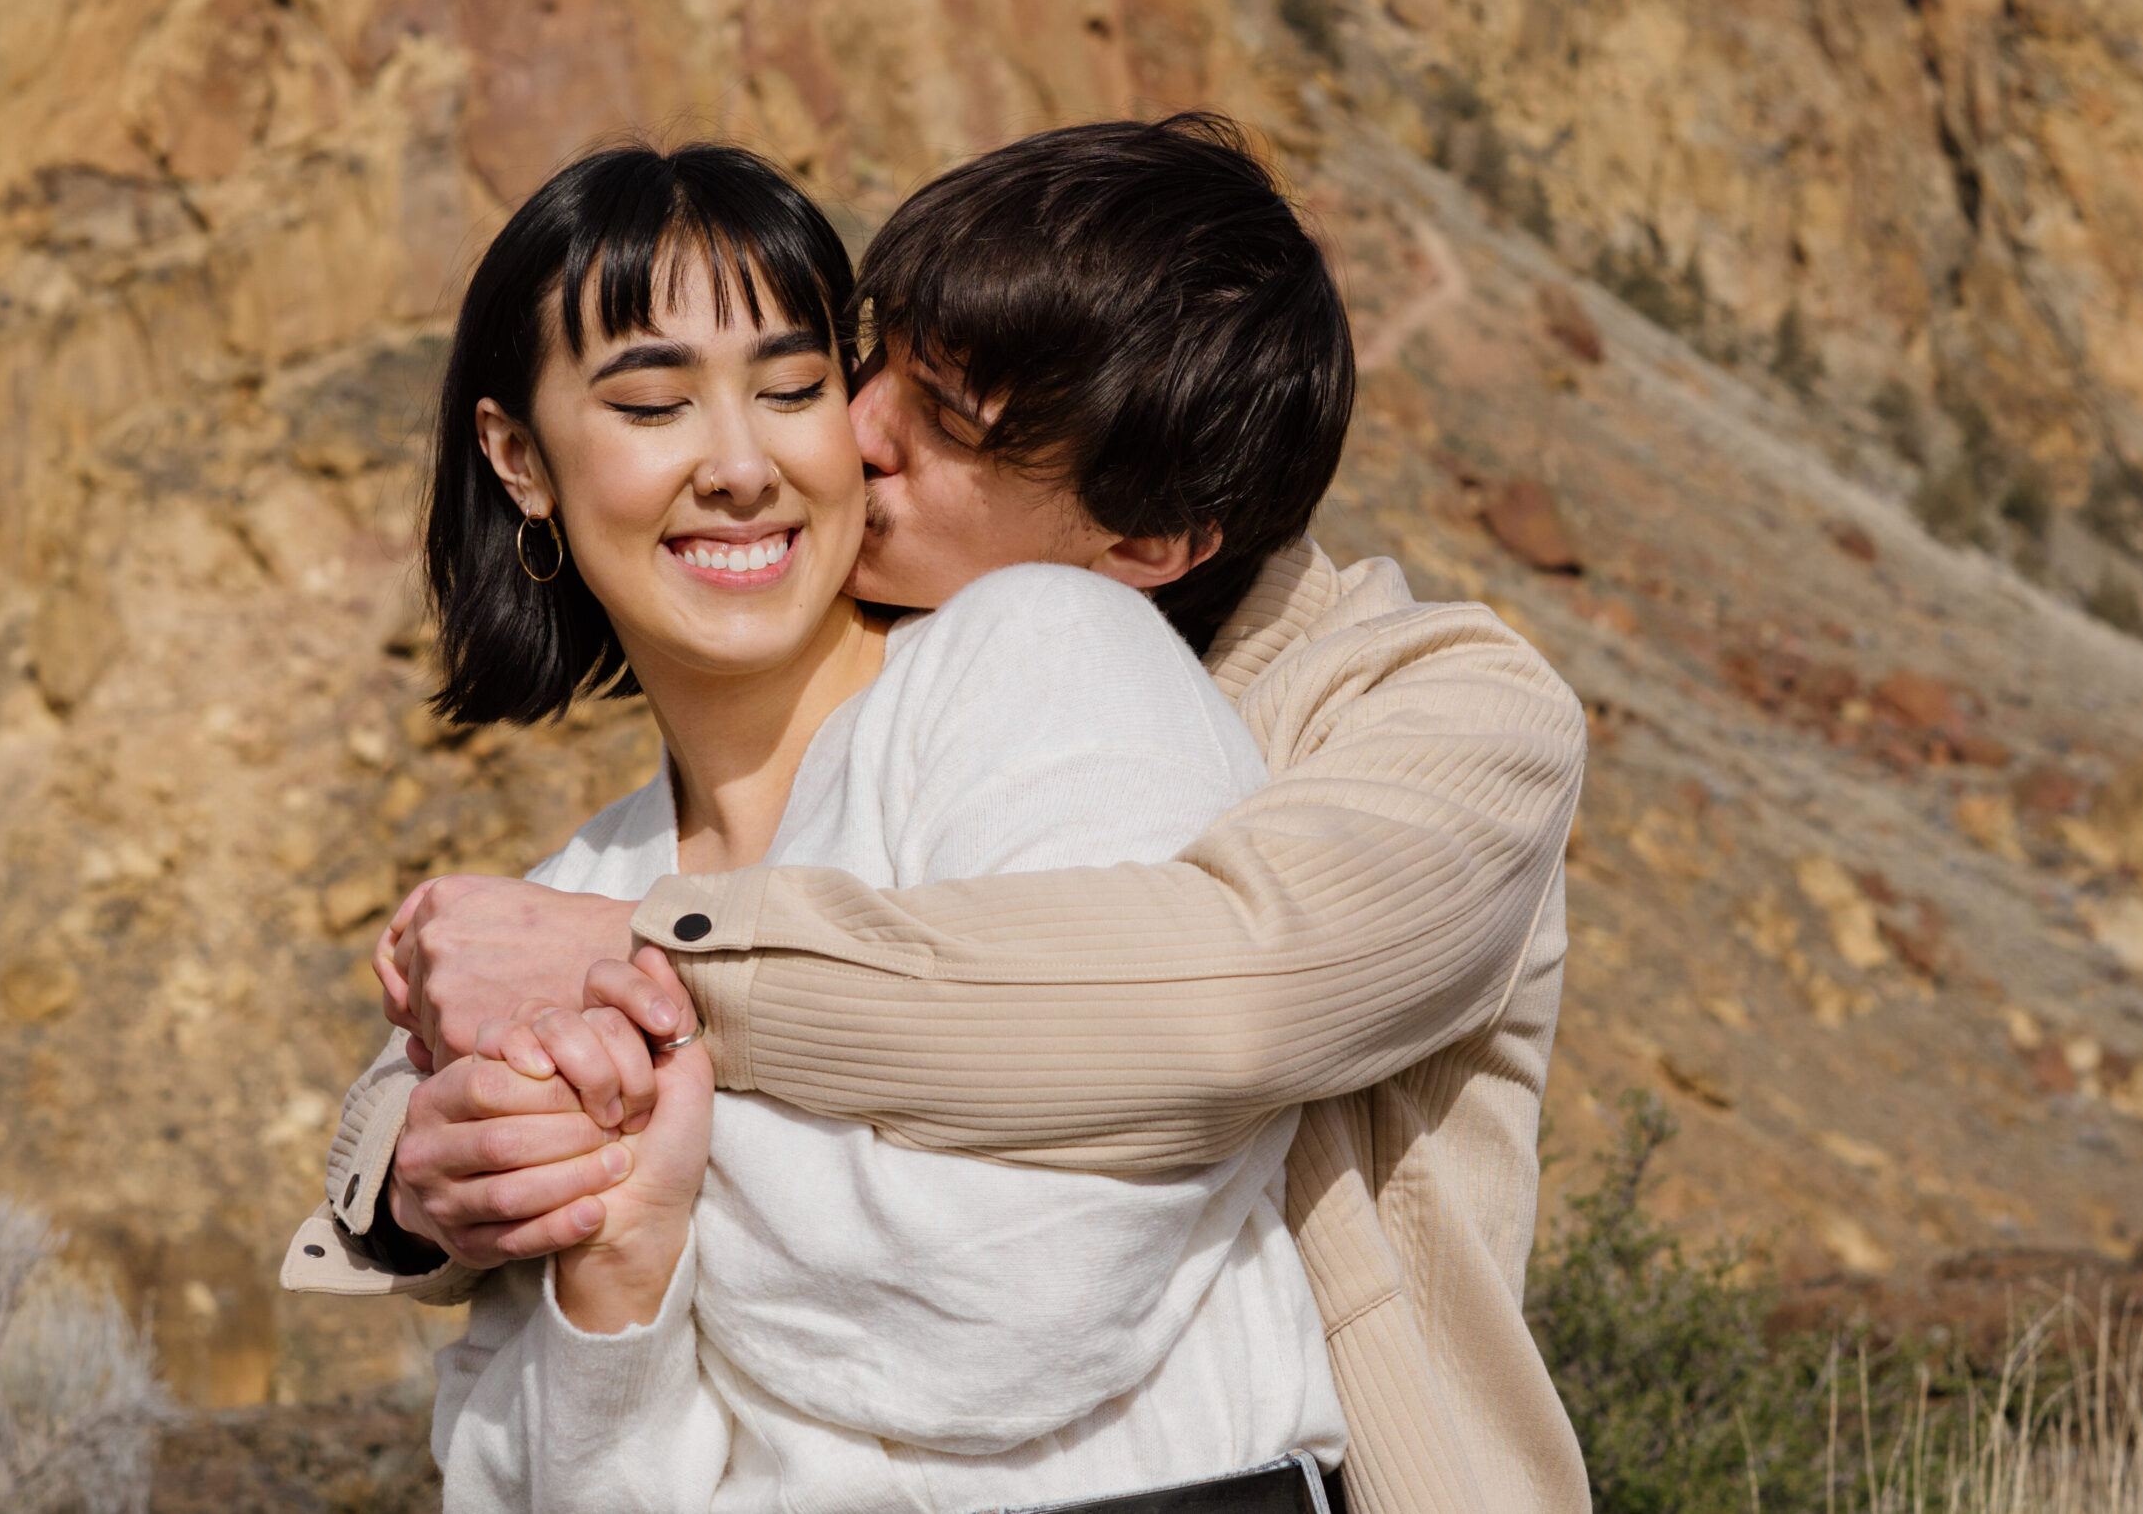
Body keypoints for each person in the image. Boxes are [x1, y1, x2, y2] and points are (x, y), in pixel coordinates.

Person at [288, 117, 1592, 1514]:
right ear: (519, 459)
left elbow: (1221, 1005)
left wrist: (642, 987)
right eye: (868, 359)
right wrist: (429, 1180)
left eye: (942, 423)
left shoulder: (1432, 710)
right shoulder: (719, 788)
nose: (847, 431)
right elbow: (455, 1079)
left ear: (1142, 548)